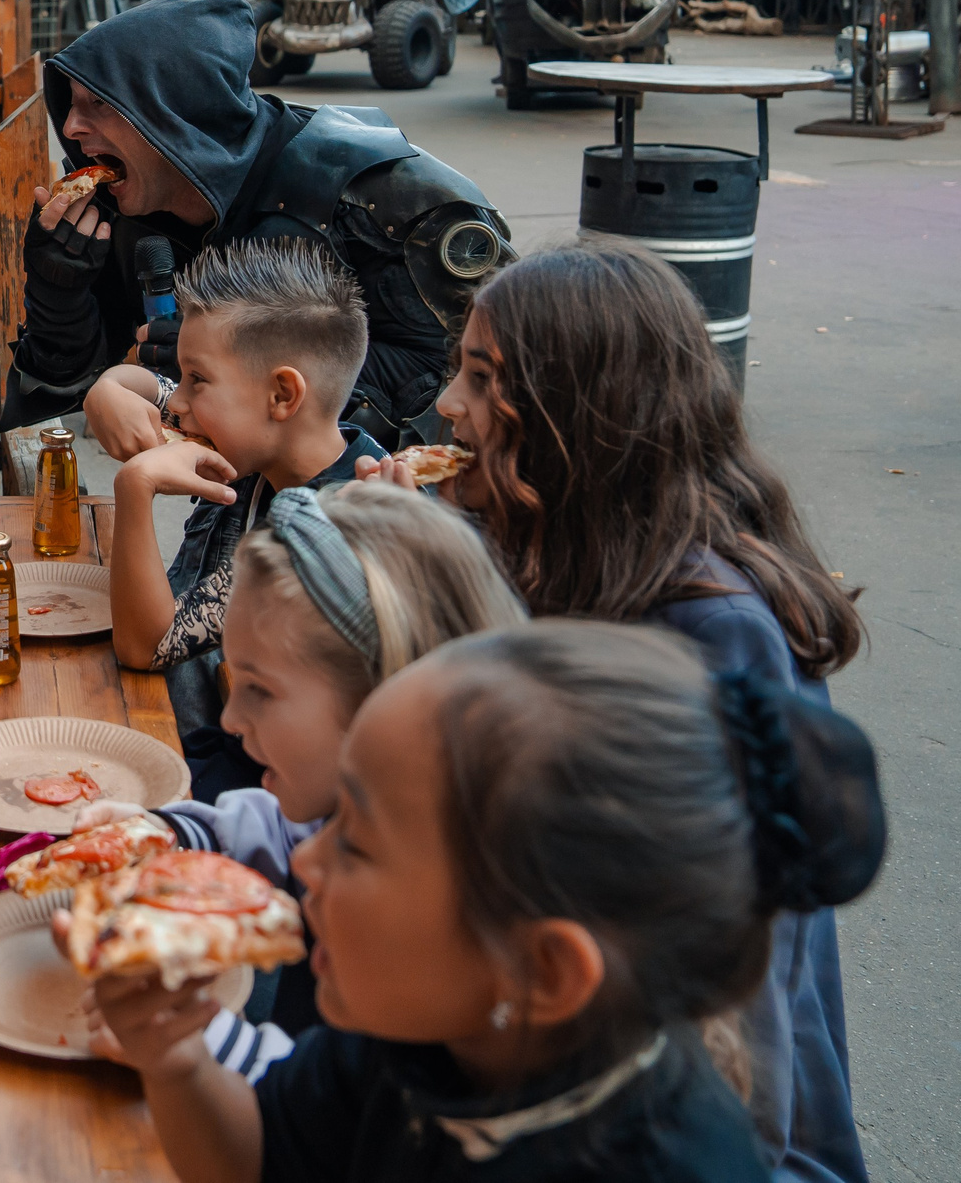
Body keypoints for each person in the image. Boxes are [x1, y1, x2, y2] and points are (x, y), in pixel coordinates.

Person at [365, 239, 869, 1183]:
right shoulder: (549, 544)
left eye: (480, 378)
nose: (445, 405)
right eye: (456, 369)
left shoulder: (715, 630)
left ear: (576, 416)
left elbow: (748, 965)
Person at [84, 621, 887, 1182]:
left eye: (355, 839)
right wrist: (177, 1058)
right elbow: (260, 1158)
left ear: (541, 966)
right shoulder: (418, 1041)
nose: (308, 861)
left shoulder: (669, 1164)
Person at [71, 482, 525, 1081]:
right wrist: (169, 835)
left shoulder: (431, 915)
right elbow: (289, 829)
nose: (231, 719)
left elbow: (344, 1105)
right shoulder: (355, 812)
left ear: (382, 701)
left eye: (260, 689)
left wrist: (199, 1040)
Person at [4, 0, 508, 451]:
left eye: (99, 104)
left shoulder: (388, 197)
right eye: (70, 104)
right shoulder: (119, 209)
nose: (70, 127)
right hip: (241, 513)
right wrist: (59, 294)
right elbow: (61, 400)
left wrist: (238, 363)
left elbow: (478, 386)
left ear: (174, 108)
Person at [104, 240, 380, 796]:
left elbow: (147, 647)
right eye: (180, 378)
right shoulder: (262, 444)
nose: (177, 402)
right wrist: (106, 388)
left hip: (237, 777)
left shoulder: (329, 529)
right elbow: (140, 387)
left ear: (282, 394)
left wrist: (135, 488)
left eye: (196, 380)